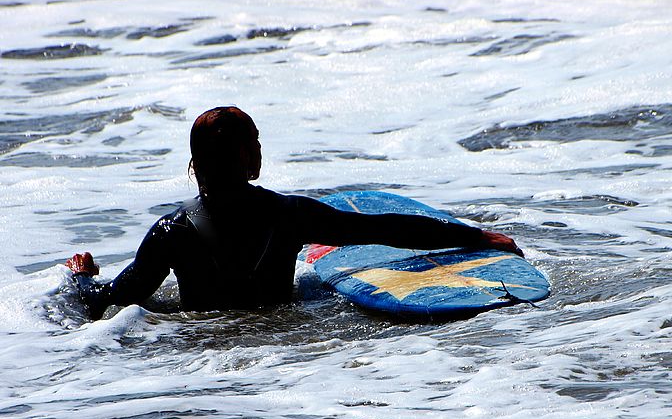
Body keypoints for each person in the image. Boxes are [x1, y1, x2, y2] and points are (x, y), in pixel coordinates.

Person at [66, 106, 522, 319]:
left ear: (196, 164)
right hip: (286, 350)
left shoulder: (171, 232)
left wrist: (81, 277)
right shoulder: (287, 215)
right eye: (255, 142)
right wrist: (474, 236)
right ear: (248, 158)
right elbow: (382, 229)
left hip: (201, 354)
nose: (260, 149)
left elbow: (115, 297)